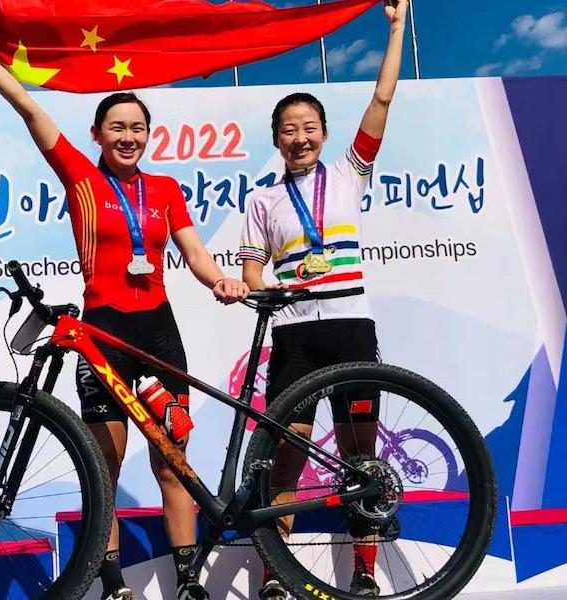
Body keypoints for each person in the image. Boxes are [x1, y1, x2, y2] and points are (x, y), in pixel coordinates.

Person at [0, 8, 248, 600]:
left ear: (148, 134)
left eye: (137, 126)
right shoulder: (82, 179)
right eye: (117, 126)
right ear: (98, 135)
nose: (128, 136)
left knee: (172, 463)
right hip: (104, 330)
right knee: (104, 471)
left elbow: (194, 255)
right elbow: (32, 110)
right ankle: (115, 588)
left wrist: (222, 282)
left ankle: (188, 582)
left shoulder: (164, 190)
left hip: (158, 333)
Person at [238, 0, 408, 597]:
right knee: (284, 458)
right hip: (294, 338)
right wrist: (257, 288)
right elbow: (255, 277)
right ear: (277, 141)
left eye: (309, 127)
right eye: (289, 130)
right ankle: (276, 577)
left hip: (350, 328)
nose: (300, 136)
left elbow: (381, 102)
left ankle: (365, 571)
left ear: (325, 135)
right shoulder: (262, 203)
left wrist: (396, 29)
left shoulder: (350, 172)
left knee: (363, 461)